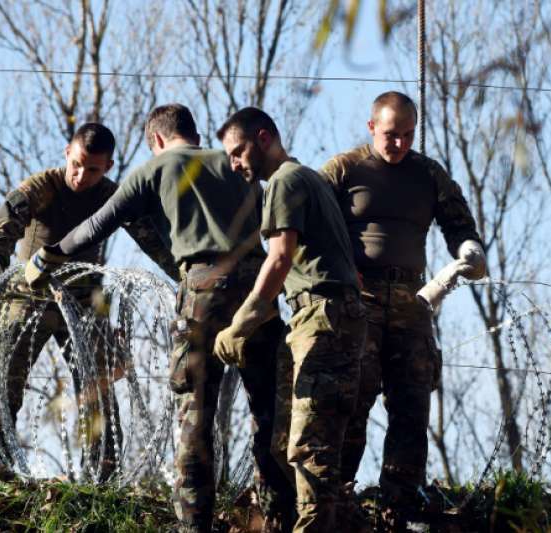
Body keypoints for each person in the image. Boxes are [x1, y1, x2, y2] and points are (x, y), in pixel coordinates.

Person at [25, 104, 295, 533]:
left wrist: (49, 254)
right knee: (269, 409)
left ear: (156, 140)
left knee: (195, 414)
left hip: (204, 290)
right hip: (258, 289)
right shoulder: (234, 163)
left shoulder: (157, 167)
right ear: (195, 133)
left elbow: (99, 222)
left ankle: (194, 524)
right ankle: (282, 517)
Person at [0, 122, 179, 482]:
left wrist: (186, 276)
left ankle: (103, 473)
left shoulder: (114, 196)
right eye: (77, 164)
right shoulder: (42, 187)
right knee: (2, 380)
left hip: (84, 299)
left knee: (97, 387)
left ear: (108, 167)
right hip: (30, 295)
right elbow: (7, 221)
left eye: (93, 169)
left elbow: (153, 240)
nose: (81, 175)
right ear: (67, 152)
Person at [318, 91, 485, 528]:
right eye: (391, 135)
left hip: (411, 302)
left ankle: (400, 505)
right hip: (359, 302)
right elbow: (307, 221)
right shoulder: (343, 170)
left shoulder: (428, 174)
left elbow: (458, 222)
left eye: (408, 135)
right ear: (372, 127)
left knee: (412, 402)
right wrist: (336, 273)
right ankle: (340, 498)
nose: (399, 144)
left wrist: (469, 248)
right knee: (353, 399)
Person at [215, 107, 366, 533]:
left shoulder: (284, 181)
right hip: (317, 317)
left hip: (324, 316)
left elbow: (280, 258)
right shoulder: (308, 178)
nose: (235, 163)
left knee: (310, 448)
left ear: (263, 139)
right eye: (229, 157)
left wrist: (241, 322)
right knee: (289, 442)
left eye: (239, 151)